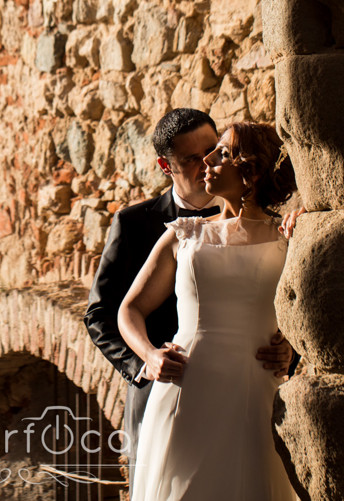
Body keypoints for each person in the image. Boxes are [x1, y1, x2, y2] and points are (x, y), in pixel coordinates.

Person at [83, 109, 293, 473]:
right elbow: (104, 313)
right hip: (168, 385)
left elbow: (294, 305)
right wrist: (147, 361)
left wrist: (291, 344)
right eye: (191, 159)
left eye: (213, 150)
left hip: (252, 387)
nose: (206, 163)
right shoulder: (141, 225)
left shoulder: (283, 230)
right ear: (167, 166)